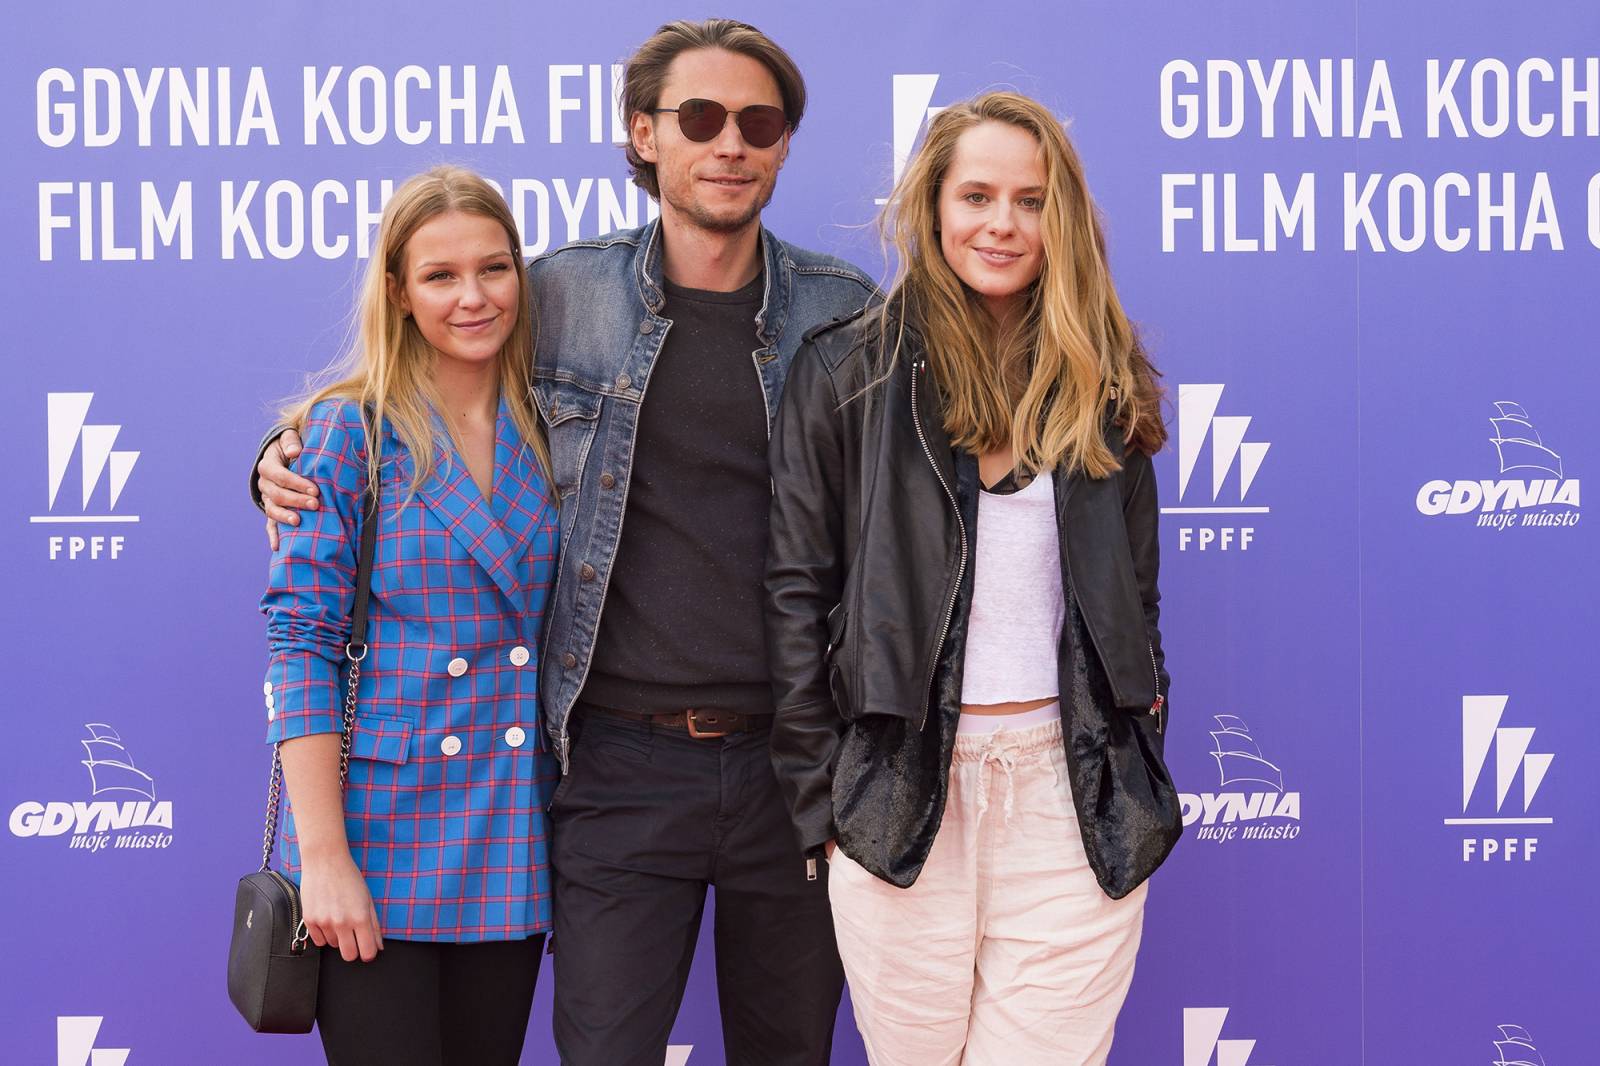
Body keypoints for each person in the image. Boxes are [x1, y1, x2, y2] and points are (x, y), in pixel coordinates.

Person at [252, 20, 874, 1066]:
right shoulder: (559, 294)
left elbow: (909, 506)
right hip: (617, 766)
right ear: (644, 134)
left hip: (794, 761)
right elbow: (424, 365)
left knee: (790, 1049)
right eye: (700, 118)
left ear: (781, 144)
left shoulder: (844, 312)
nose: (730, 143)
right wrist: (288, 451)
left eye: (757, 122)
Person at [763, 92, 1183, 1065]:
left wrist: (1137, 748)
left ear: (1061, 217)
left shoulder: (1101, 381)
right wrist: (822, 802)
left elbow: (1137, 597)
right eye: (978, 195)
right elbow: (794, 596)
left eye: (1030, 200)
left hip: (1071, 791)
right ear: (932, 206)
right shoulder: (847, 373)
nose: (1002, 222)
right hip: (901, 789)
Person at [261, 165, 560, 1066]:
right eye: (439, 276)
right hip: (381, 835)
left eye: (494, 269)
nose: (473, 297)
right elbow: (300, 641)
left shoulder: (557, 420)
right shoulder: (349, 431)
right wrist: (324, 858)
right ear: (396, 291)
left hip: (511, 822)